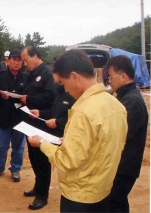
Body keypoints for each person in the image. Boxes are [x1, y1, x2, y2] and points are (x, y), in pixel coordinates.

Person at [27, 49, 128, 212]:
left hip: (80, 195)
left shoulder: (83, 111)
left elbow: (67, 160)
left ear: (74, 76)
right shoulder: (116, 105)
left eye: (64, 83)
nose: (65, 90)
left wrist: (41, 143)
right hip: (103, 189)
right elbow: (103, 144)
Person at [105, 55, 148, 212]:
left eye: (110, 76)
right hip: (124, 165)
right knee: (119, 203)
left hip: (124, 167)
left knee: (113, 204)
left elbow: (120, 135)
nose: (109, 81)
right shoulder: (126, 98)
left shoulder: (131, 102)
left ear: (123, 76)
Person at [20, 46, 57, 210]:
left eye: (26, 60)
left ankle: (43, 195)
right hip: (31, 123)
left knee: (42, 160)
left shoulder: (47, 74)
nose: (24, 64)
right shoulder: (31, 75)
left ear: (35, 56)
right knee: (33, 157)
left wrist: (29, 99)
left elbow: (50, 96)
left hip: (43, 123)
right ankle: (37, 186)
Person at [0, 49, 27, 182]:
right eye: (14, 59)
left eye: (19, 60)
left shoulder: (25, 78)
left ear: (22, 63)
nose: (16, 62)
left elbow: (29, 97)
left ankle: (15, 169)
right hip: (2, 118)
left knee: (19, 147)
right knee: (0, 146)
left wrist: (16, 98)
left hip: (19, 118)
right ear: (8, 60)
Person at [29, 73, 75, 138]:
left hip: (64, 136)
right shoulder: (59, 90)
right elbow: (54, 112)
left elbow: (74, 119)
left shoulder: (74, 93)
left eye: (54, 73)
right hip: (53, 135)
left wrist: (57, 123)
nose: (52, 76)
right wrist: (40, 113)